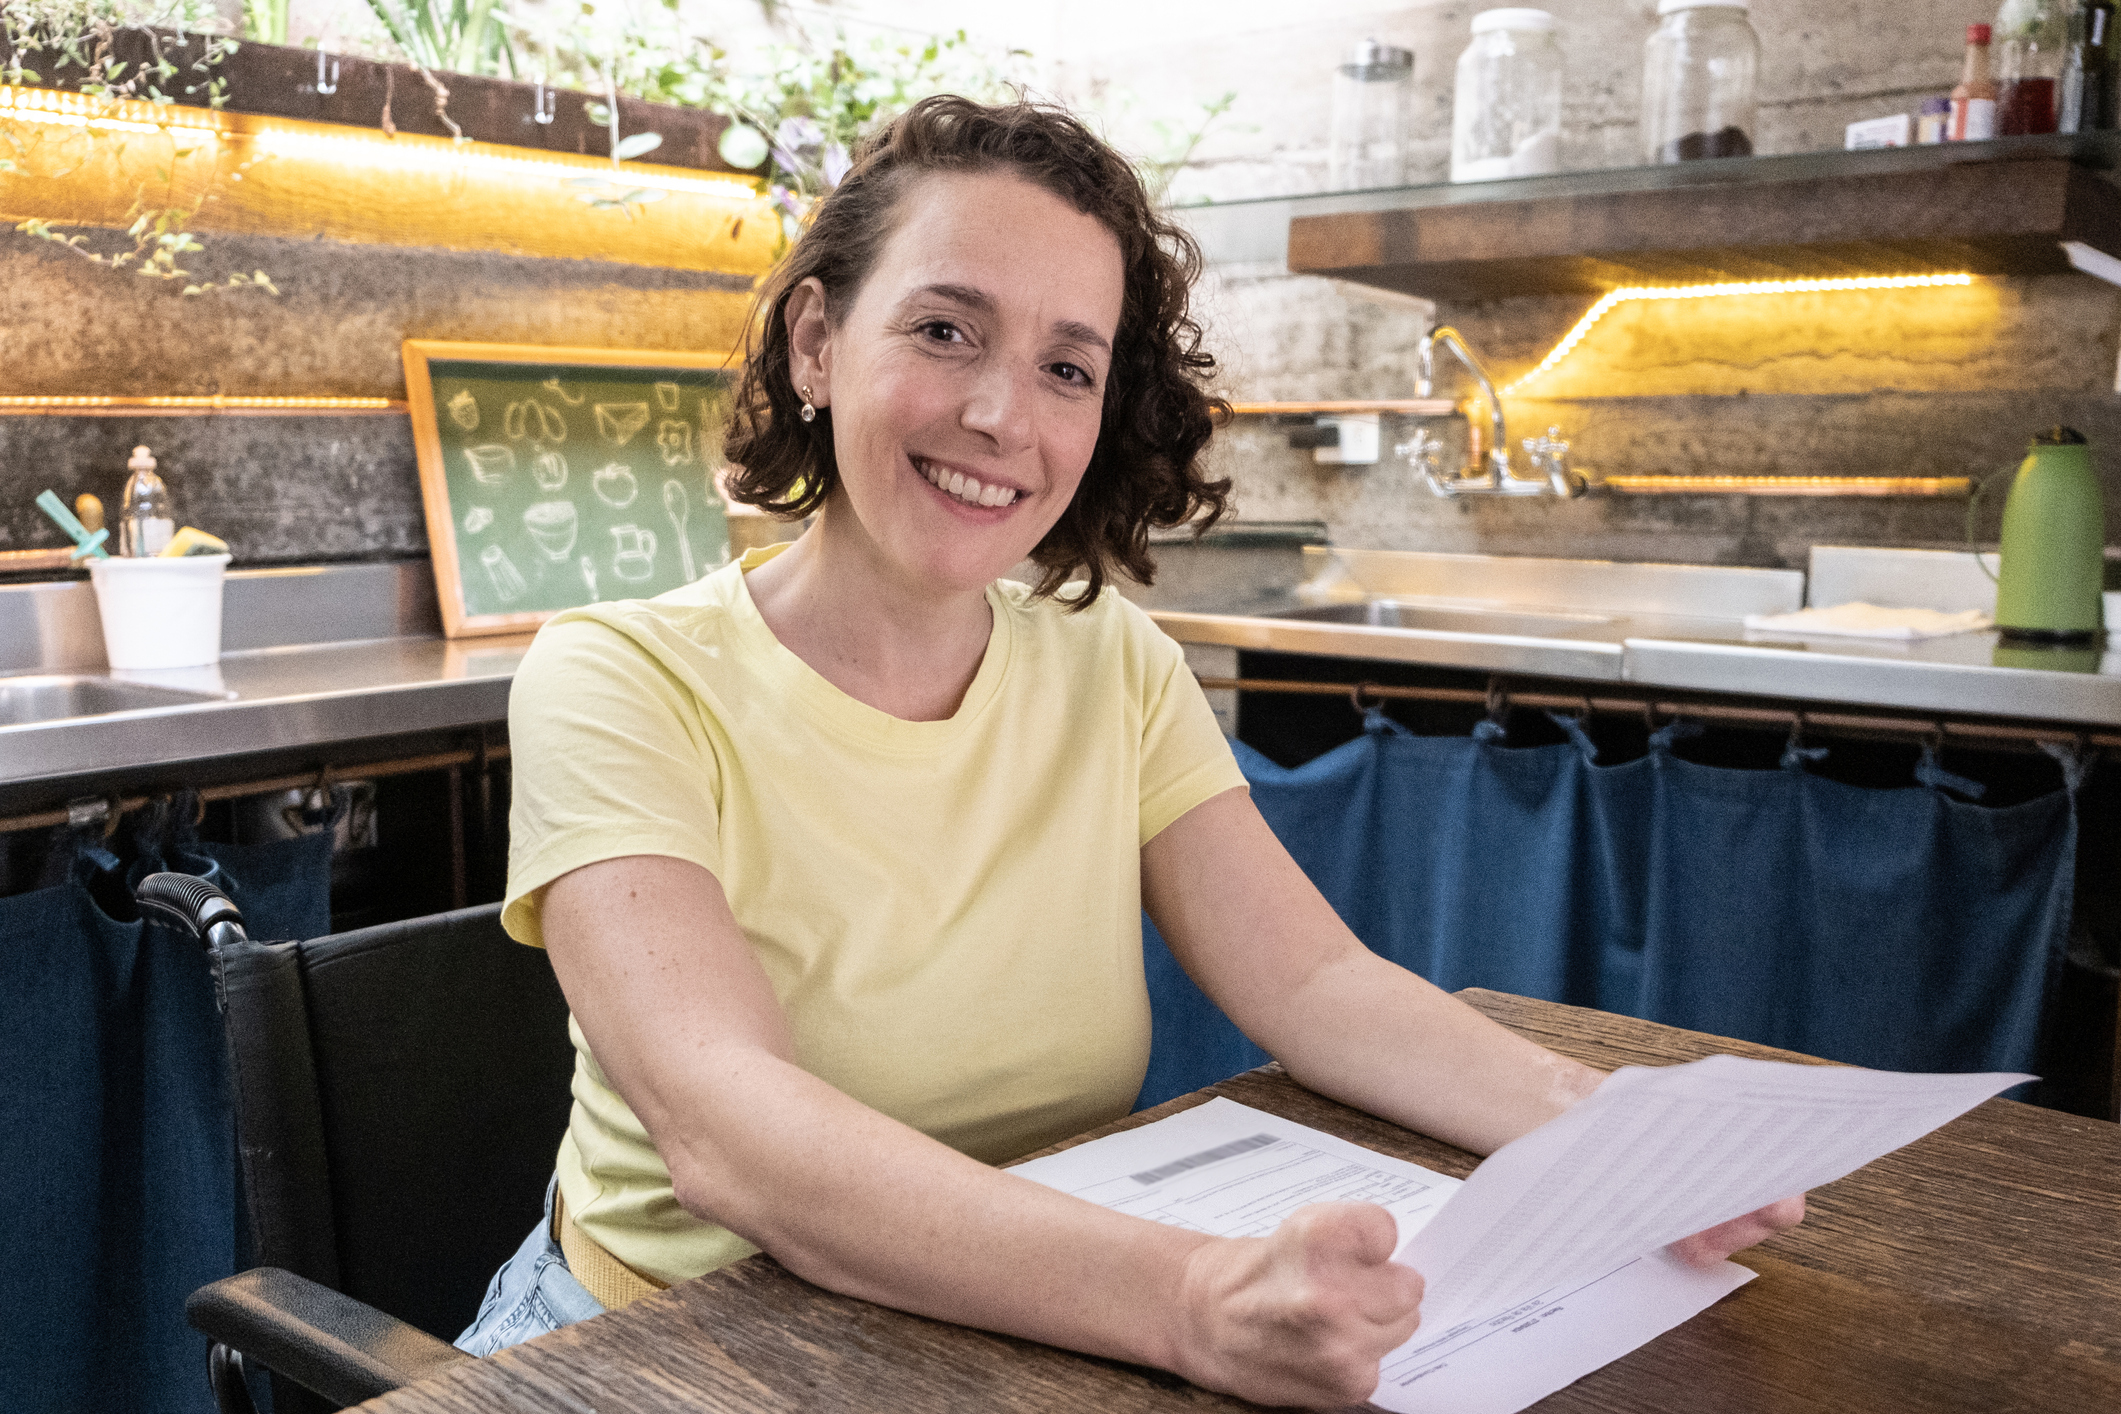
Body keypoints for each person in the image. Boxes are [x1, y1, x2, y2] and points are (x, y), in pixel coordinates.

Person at [458, 95, 1803, 1406]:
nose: (1002, 415)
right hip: (661, 1350)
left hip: (994, 1327)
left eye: (1066, 367)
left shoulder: (1110, 662)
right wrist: (1192, 1301)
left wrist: (1610, 1132)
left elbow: (1318, 980)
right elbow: (730, 1138)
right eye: (944, 329)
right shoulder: (617, 674)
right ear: (815, 341)